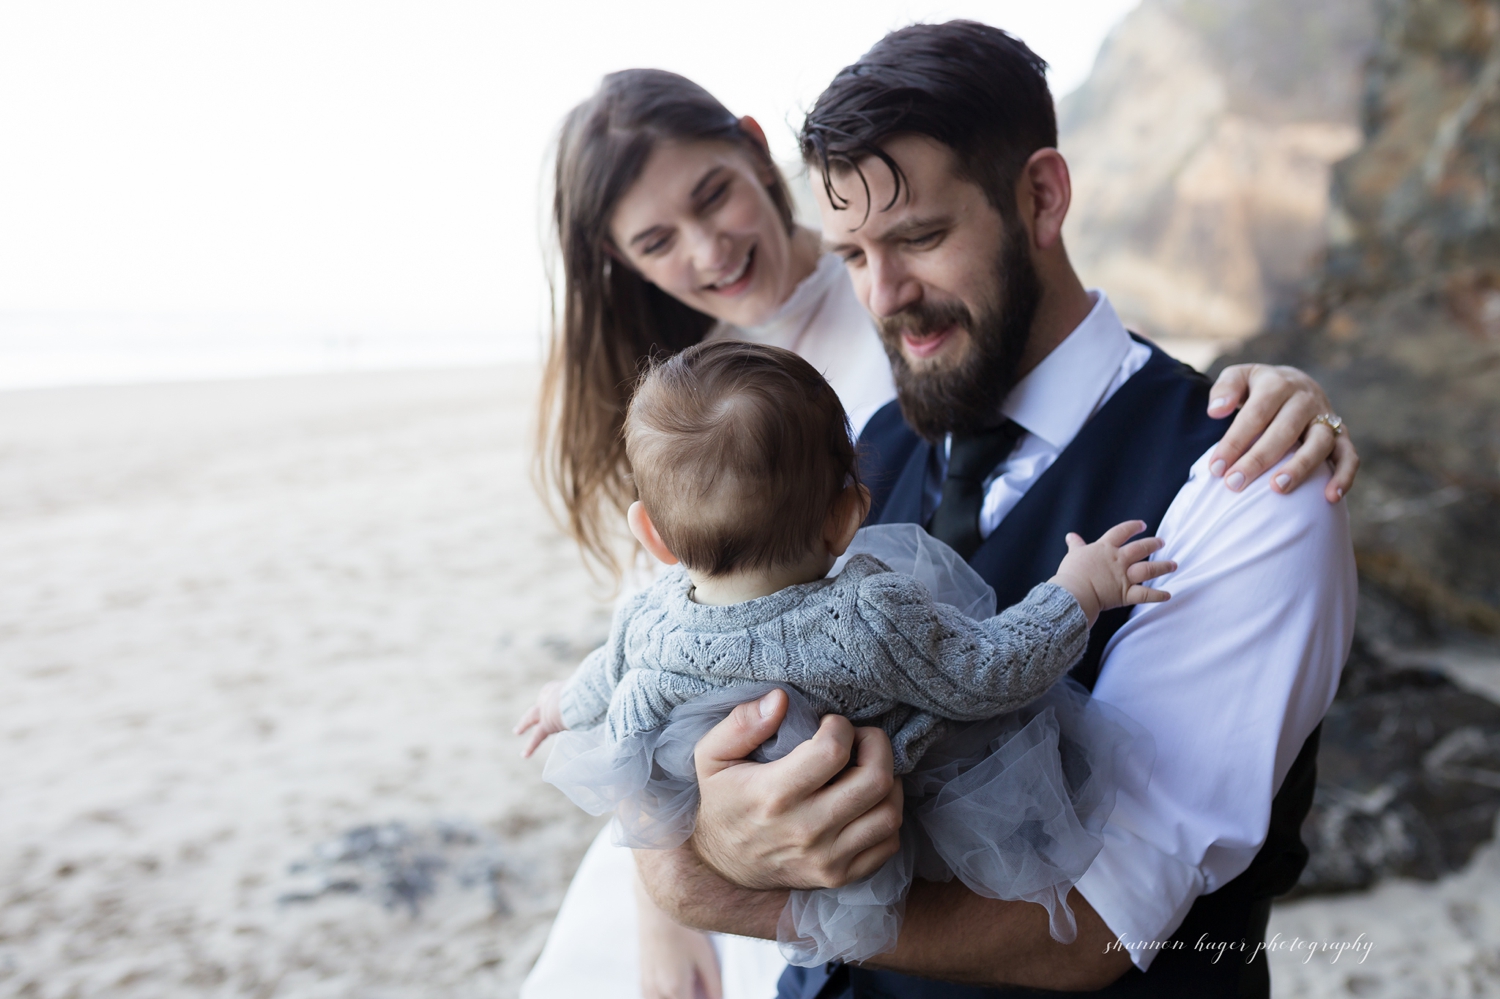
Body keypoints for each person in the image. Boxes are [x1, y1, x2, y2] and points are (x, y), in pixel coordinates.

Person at [524, 65, 1361, 999]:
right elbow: (655, 677)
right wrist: (702, 848)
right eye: (851, 255)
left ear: (1043, 197)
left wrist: (715, 888)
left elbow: (1095, 923)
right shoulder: (862, 437)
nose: (882, 295)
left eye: (918, 237)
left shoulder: (1240, 481)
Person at [519, 339, 1174, 966]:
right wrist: (1078, 590)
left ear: (652, 537)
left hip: (785, 854)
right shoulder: (868, 620)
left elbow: (602, 679)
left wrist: (556, 705)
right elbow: (994, 670)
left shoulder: (648, 617)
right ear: (847, 516)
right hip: (906, 828)